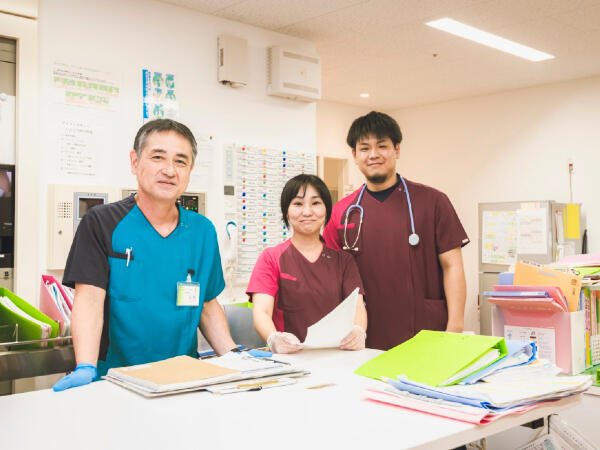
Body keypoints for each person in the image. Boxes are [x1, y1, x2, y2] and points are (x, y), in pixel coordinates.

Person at [53, 119, 237, 391]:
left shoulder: (202, 231)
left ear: (190, 170)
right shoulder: (102, 222)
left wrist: (235, 356)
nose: (169, 170)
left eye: (180, 161)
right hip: (116, 380)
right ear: (135, 162)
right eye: (158, 157)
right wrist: (85, 366)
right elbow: (89, 300)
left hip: (185, 379)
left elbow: (207, 305)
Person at [323, 111, 469, 351]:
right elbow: (330, 278)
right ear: (354, 155)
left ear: (397, 150)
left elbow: (452, 266)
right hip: (363, 336)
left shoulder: (433, 202)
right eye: (364, 148)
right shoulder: (342, 212)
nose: (373, 155)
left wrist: (455, 328)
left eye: (382, 146)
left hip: (426, 332)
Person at [247, 174, 367, 353]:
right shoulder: (271, 258)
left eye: (316, 203)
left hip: (336, 356)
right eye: (298, 204)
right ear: (286, 211)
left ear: (327, 209)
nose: (307, 212)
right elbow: (261, 312)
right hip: (289, 358)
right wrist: (273, 338)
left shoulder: (344, 261)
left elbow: (357, 306)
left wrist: (359, 331)